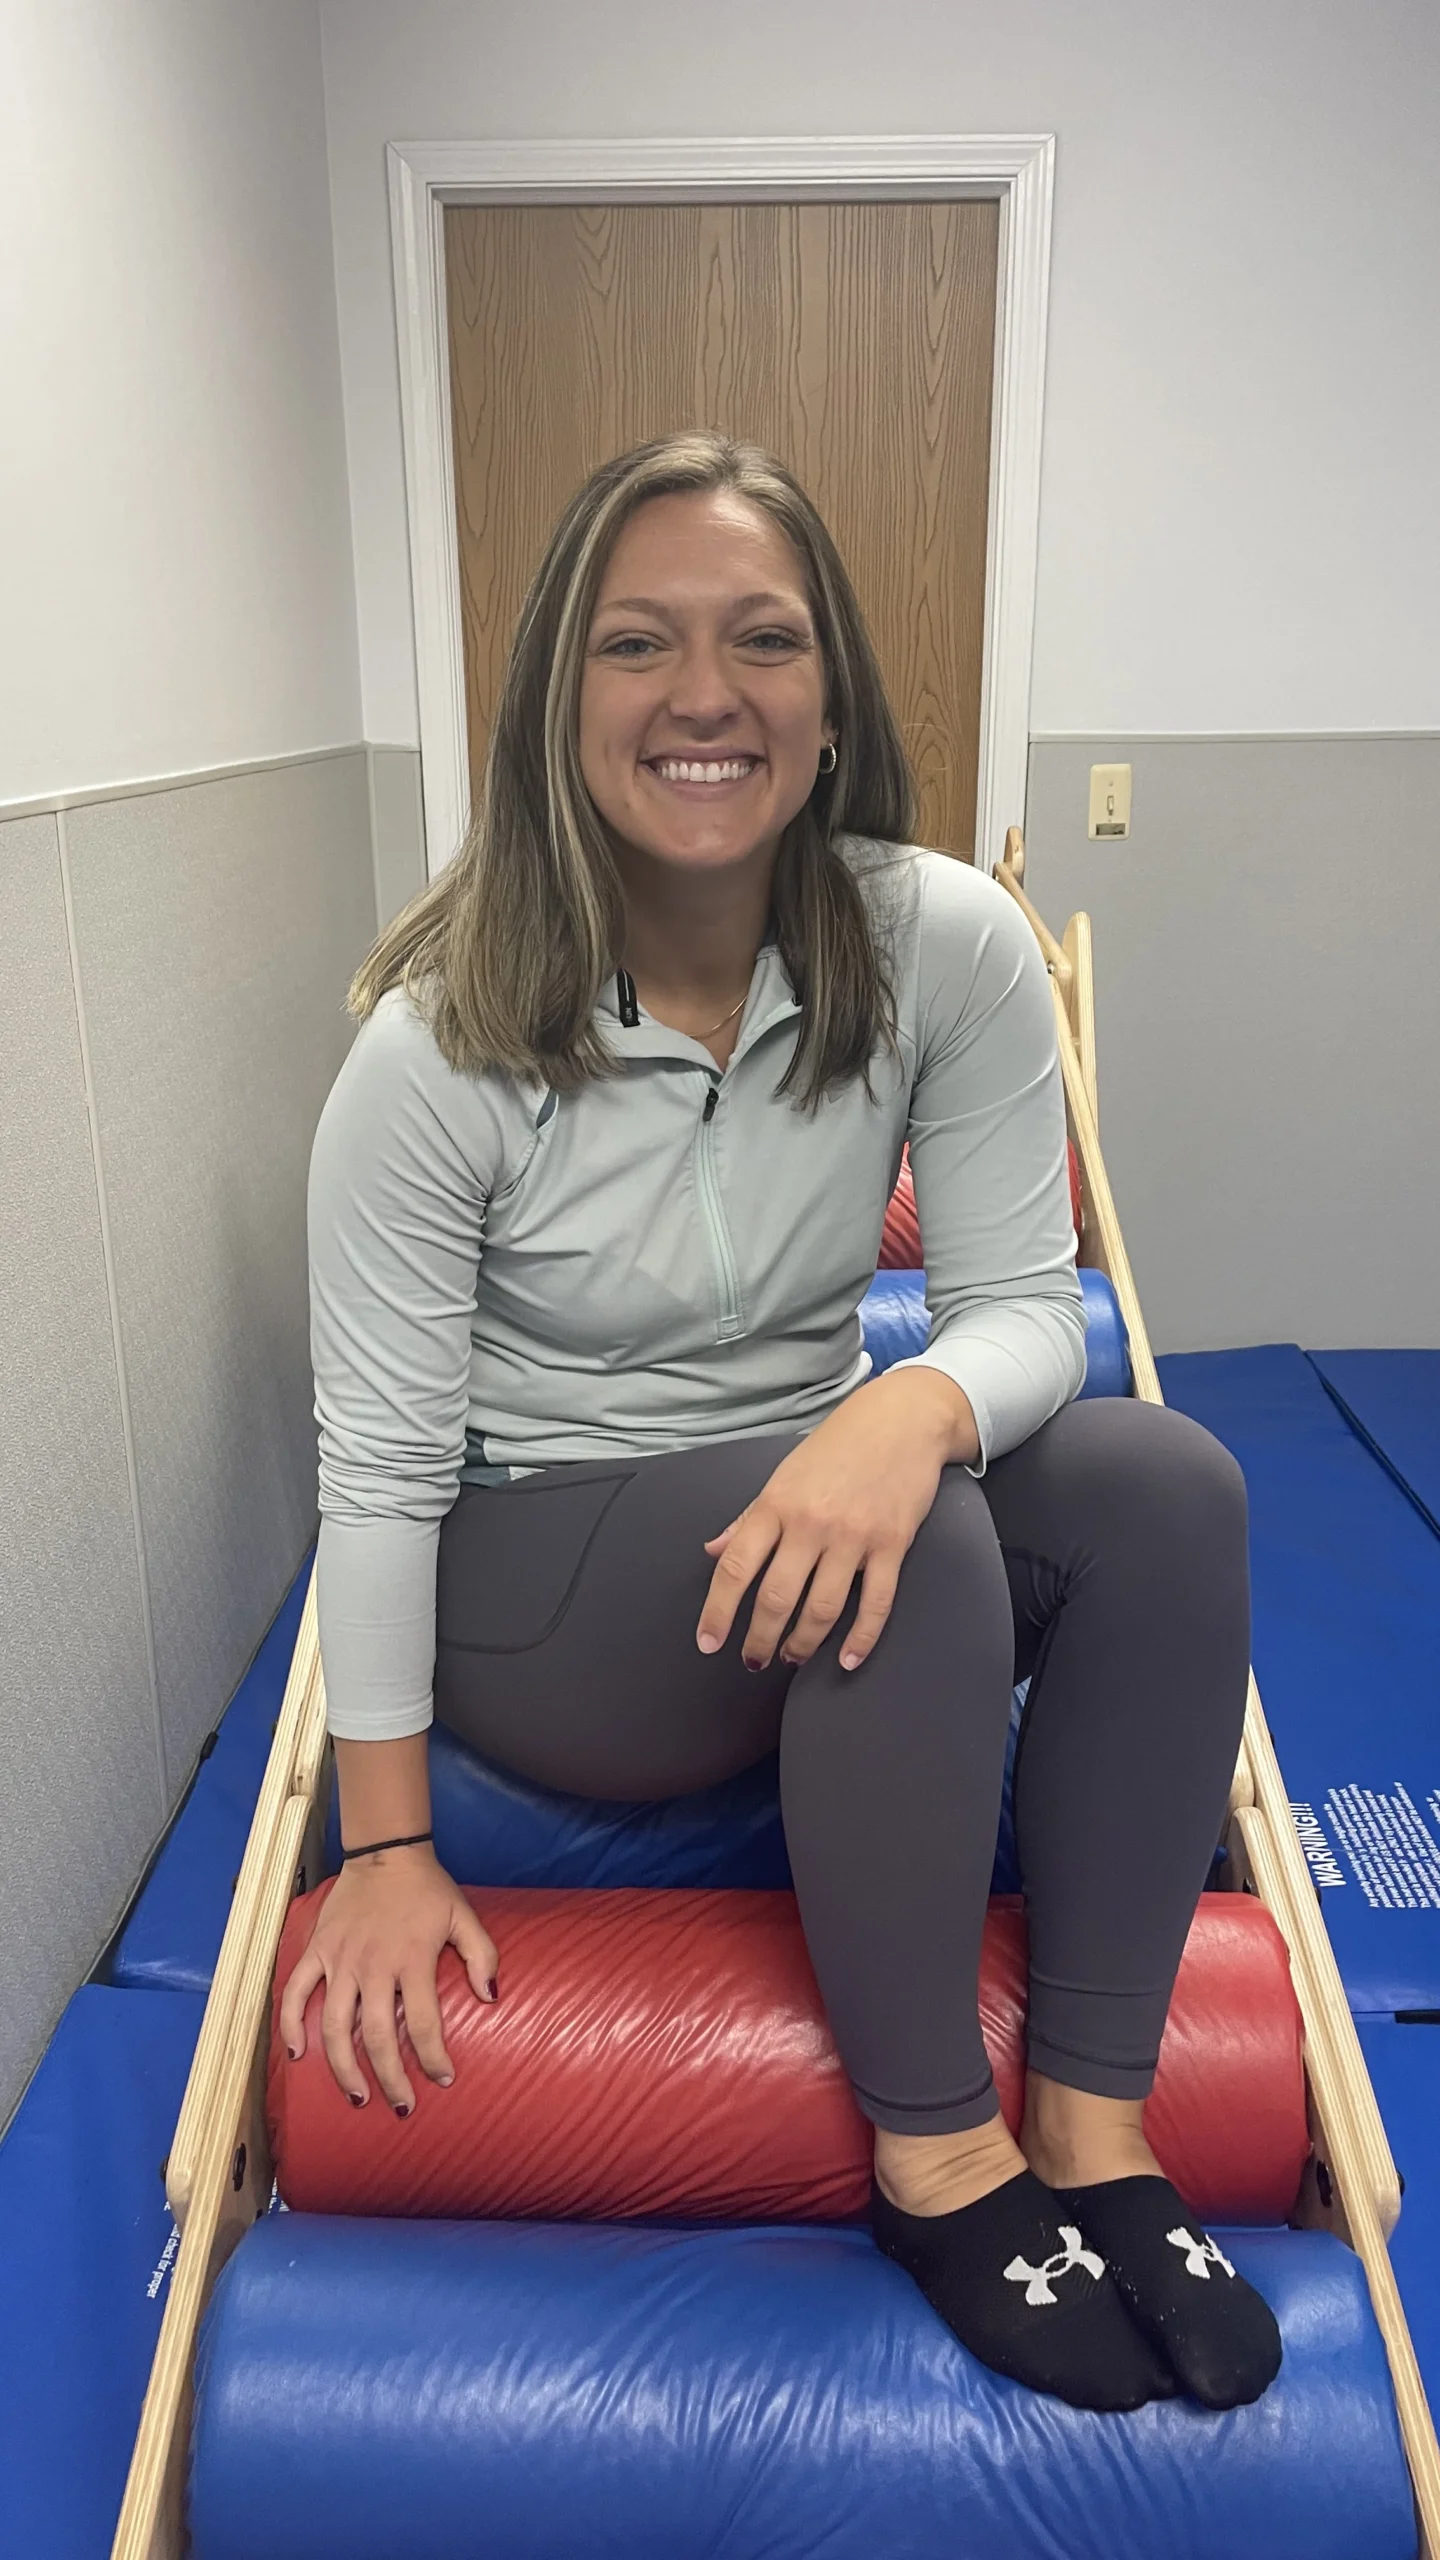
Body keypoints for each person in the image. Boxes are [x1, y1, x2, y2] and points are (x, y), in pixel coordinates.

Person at [282, 430, 1280, 2415]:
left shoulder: (946, 945)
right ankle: (942, 2157)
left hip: (793, 1520)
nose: (704, 693)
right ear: (558, 696)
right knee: (927, 1538)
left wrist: (906, 1410)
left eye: (763, 638)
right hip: (547, 1584)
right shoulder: (436, 1046)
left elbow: (1025, 1311)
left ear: (833, 701)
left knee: (1165, 1486)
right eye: (636, 641)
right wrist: (383, 1843)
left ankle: (1094, 2122)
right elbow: (379, 1468)